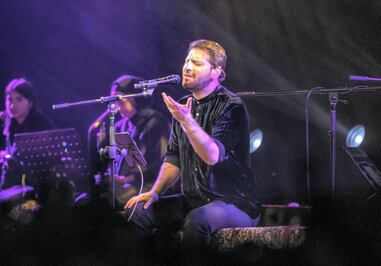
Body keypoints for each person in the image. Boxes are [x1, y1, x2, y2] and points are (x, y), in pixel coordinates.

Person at [124, 40, 260, 257]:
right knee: (137, 213)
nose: (187, 67)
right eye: (187, 61)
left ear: (216, 72)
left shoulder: (231, 106)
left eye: (196, 63)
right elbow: (173, 158)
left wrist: (187, 121)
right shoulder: (183, 105)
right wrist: (155, 192)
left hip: (233, 203)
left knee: (196, 222)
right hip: (192, 201)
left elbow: (213, 156)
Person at [88, 75, 171, 206]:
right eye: (115, 102)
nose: (118, 108)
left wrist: (128, 179)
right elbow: (126, 163)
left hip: (148, 186)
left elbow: (162, 164)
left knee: (106, 201)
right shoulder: (122, 125)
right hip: (126, 186)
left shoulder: (156, 122)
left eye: (121, 101)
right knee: (89, 198)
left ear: (134, 99)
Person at [1, 78, 53, 189]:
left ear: (30, 103)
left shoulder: (40, 126)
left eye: (18, 99)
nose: (12, 105)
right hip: (16, 185)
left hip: (37, 186)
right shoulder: (11, 126)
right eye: (10, 99)